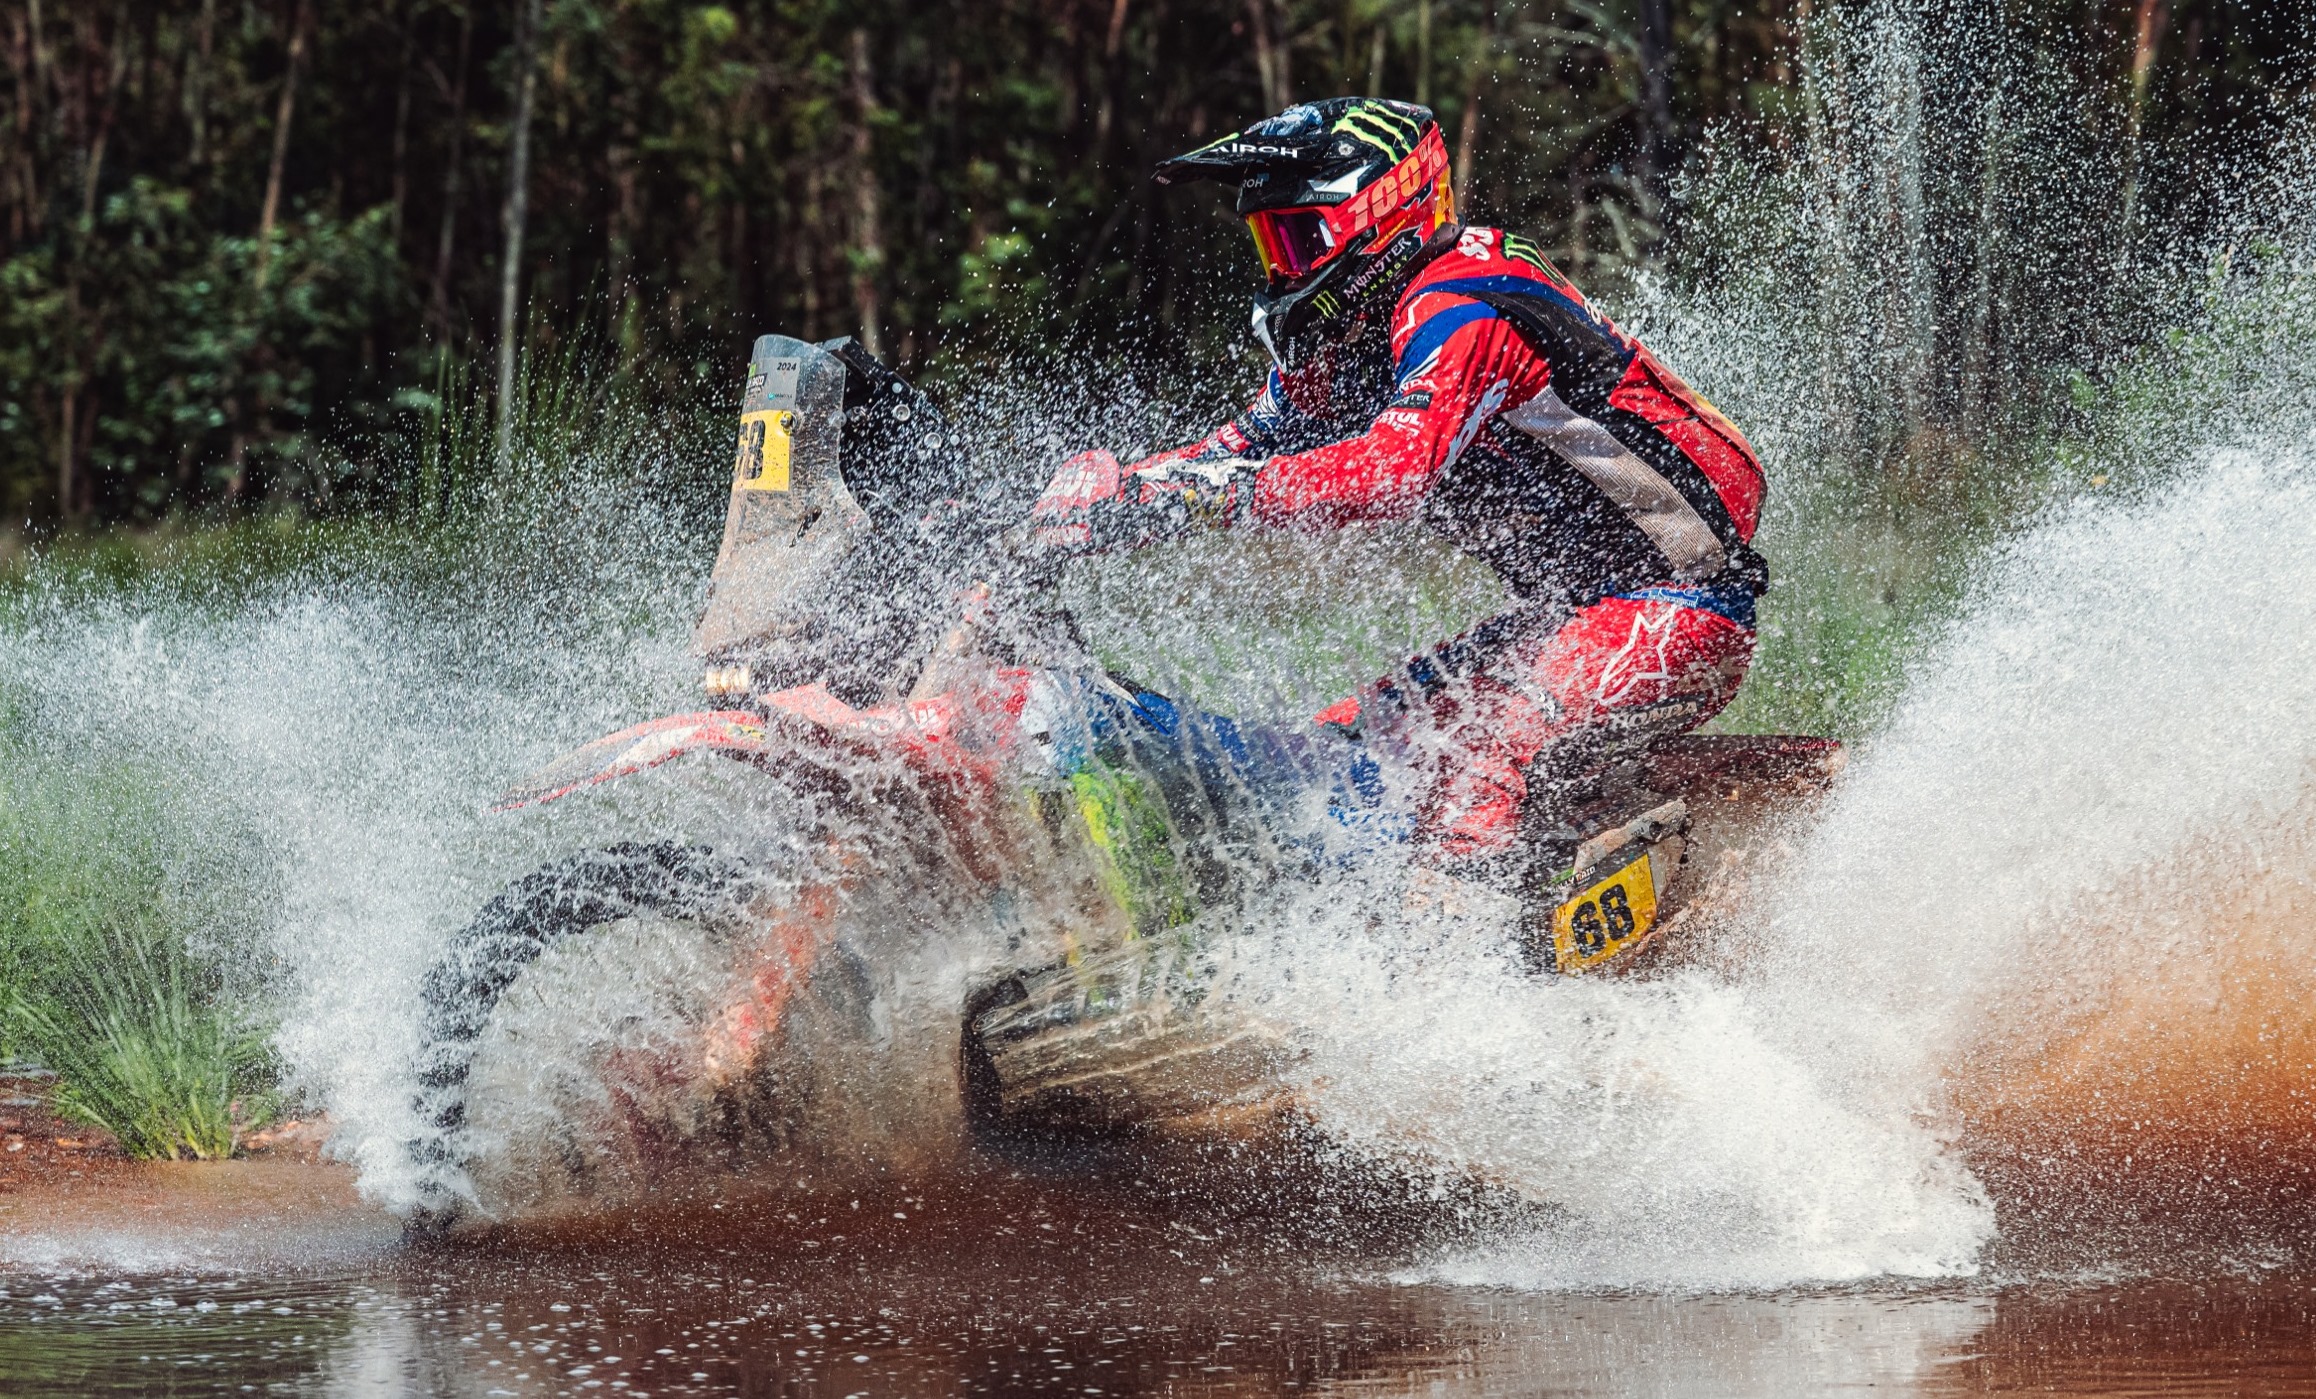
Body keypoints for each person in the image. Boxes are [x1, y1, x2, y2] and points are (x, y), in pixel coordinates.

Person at [1030, 97, 1768, 895]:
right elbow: (1232, 451)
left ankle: (1466, 949)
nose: (1283, 270)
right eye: (1270, 244)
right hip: (1565, 619)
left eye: (1299, 238)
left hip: (1681, 608)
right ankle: (1296, 914)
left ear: (1379, 213)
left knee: (1483, 755)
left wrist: (1192, 502)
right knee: (1343, 745)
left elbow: (1388, 473)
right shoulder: (1351, 338)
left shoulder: (1460, 304)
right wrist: (1103, 499)